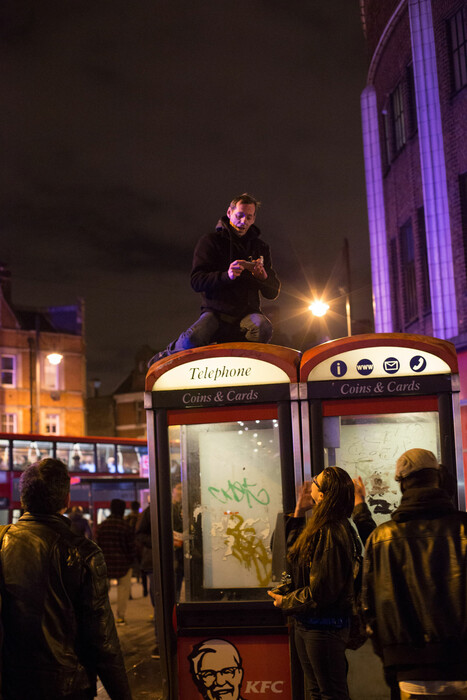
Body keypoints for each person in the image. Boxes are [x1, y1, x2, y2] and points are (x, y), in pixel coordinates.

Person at [0, 458, 131, 700]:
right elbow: (102, 640)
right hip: (67, 686)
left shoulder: (3, 541)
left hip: (11, 682)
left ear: (23, 500)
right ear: (67, 500)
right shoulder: (84, 552)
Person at [363, 448, 467, 700]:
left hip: (407, 670)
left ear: (401, 484)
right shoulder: (464, 528)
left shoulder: (381, 538)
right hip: (462, 663)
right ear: (438, 478)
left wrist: (391, 655)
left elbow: (368, 607)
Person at [149, 193, 280, 364]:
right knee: (192, 340)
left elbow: (273, 292)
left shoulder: (260, 247)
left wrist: (263, 277)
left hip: (246, 314)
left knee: (263, 327)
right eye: (239, 215)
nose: (243, 221)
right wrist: (227, 276)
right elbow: (197, 281)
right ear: (229, 213)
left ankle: (242, 364)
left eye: (249, 217)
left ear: (254, 218)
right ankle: (166, 355)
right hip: (216, 313)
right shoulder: (210, 241)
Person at [268, 467, 358, 700]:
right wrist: (298, 511)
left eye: (315, 482)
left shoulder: (330, 530)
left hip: (324, 627)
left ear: (323, 495)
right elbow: (289, 558)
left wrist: (286, 600)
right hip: (309, 624)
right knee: (316, 691)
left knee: (329, 693)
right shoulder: (321, 526)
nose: (310, 485)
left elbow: (323, 592)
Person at [96, 498, 135, 626]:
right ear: (123, 510)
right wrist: (131, 560)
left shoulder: (102, 526)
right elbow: (131, 546)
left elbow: (96, 545)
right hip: (123, 564)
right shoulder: (125, 526)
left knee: (103, 592)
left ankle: (104, 617)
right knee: (123, 590)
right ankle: (120, 617)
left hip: (105, 564)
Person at [172, 481, 184, 599]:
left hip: (184, 552)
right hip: (173, 553)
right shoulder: (167, 508)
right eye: (179, 488)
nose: (181, 492)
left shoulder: (187, 507)